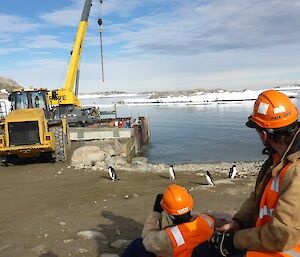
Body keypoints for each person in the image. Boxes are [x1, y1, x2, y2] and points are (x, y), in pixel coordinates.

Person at [192, 89, 300, 257]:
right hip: (265, 240)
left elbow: (281, 236)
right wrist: (238, 222)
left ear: (264, 134)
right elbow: (259, 196)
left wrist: (234, 240)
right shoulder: (279, 158)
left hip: (282, 251)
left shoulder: (296, 171)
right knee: (203, 250)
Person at [122, 184, 214, 257]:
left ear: (170, 215)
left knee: (138, 244)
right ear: (190, 206)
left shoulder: (169, 237)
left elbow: (146, 239)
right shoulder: (207, 221)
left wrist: (156, 212)